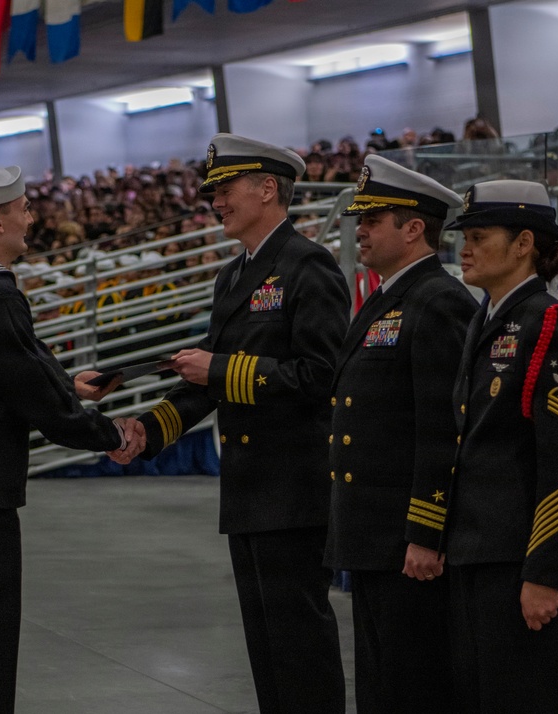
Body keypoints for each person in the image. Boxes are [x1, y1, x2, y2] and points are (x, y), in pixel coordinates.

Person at [115, 133, 350, 714]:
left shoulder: (308, 266)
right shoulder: (233, 276)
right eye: (212, 192)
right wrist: (149, 428)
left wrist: (221, 367)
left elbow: (323, 377)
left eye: (224, 189)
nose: (214, 202)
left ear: (268, 189)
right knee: (267, 645)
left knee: (300, 642)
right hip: (249, 487)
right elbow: (205, 383)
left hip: (295, 487)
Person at [0, 163, 142, 714]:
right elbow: (32, 394)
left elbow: (6, 368)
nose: (30, 217)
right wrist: (110, 432)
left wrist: (69, 383)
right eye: (23, 208)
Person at [325, 155, 478, 713]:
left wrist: (425, 531)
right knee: (381, 681)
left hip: (404, 537)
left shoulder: (438, 301)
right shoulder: (389, 296)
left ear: (414, 229)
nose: (360, 229)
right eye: (361, 217)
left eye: (374, 218)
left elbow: (442, 429)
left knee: (414, 684)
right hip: (372, 534)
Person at [444, 180, 558, 712]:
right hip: (475, 547)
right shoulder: (487, 318)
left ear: (524, 242)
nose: (464, 248)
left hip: (516, 556)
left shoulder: (547, 323)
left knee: (520, 697)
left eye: (479, 236)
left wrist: (542, 573)